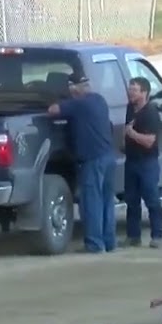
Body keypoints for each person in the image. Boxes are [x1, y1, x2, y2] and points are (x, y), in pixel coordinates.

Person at [48, 71, 116, 253]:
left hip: (92, 160)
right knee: (106, 202)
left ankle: (95, 244)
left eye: (71, 87)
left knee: (92, 203)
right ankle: (109, 242)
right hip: (108, 157)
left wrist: (59, 100)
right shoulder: (99, 100)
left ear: (74, 88)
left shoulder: (78, 104)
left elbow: (53, 110)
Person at [123, 76, 162, 249]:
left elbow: (150, 141)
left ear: (144, 93)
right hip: (131, 161)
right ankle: (133, 236)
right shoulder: (130, 108)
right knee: (131, 200)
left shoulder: (151, 113)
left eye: (134, 90)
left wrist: (131, 133)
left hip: (147, 162)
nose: (130, 92)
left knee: (152, 199)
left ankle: (157, 235)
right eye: (130, 89)